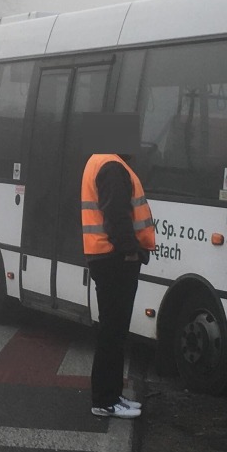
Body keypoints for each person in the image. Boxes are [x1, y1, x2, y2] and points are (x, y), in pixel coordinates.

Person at [82, 149, 157, 418]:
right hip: (115, 259)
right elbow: (116, 214)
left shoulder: (101, 162)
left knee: (113, 331)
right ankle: (104, 401)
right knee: (112, 332)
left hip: (106, 258)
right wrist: (130, 250)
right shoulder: (112, 166)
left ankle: (112, 397)